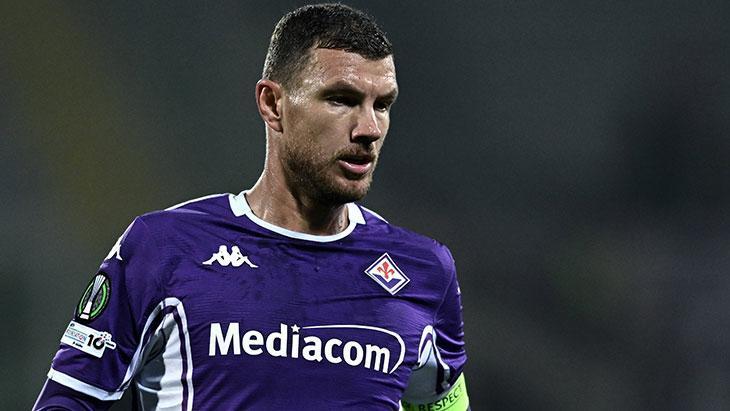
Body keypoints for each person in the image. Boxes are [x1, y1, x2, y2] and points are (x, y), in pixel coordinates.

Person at [34, 4, 468, 410]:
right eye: (341, 99)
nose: (369, 128)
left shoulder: (424, 271)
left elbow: (445, 401)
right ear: (273, 104)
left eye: (383, 104)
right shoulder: (164, 248)